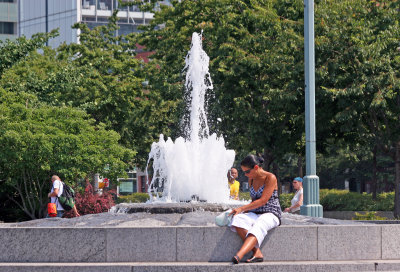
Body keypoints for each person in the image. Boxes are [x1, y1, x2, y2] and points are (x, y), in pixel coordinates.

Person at [229, 155, 282, 264]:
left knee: (260, 224)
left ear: (256, 167)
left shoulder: (270, 177)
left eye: (247, 171)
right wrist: (241, 211)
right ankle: (257, 253)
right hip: (256, 212)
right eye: (244, 172)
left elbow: (263, 201)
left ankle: (239, 255)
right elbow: (254, 202)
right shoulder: (251, 180)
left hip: (271, 213)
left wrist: (242, 208)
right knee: (237, 220)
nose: (246, 174)